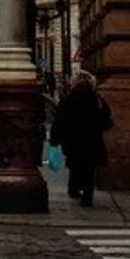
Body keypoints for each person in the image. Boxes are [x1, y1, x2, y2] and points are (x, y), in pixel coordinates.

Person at [49, 69, 113, 207]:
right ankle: (87, 196)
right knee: (89, 168)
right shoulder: (97, 98)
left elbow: (60, 119)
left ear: (75, 82)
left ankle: (74, 189)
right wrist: (98, 128)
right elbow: (107, 118)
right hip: (92, 139)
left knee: (75, 164)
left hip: (73, 140)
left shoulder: (69, 98)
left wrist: (55, 139)